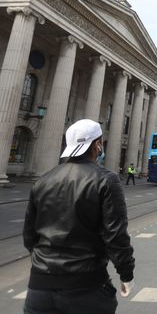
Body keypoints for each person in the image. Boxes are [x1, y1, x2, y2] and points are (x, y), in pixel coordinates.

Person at [23, 119, 135, 314]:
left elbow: (29, 236)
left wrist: (45, 265)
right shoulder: (106, 180)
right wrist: (126, 274)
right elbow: (115, 235)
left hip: (39, 289)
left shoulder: (43, 181)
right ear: (97, 144)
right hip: (86, 287)